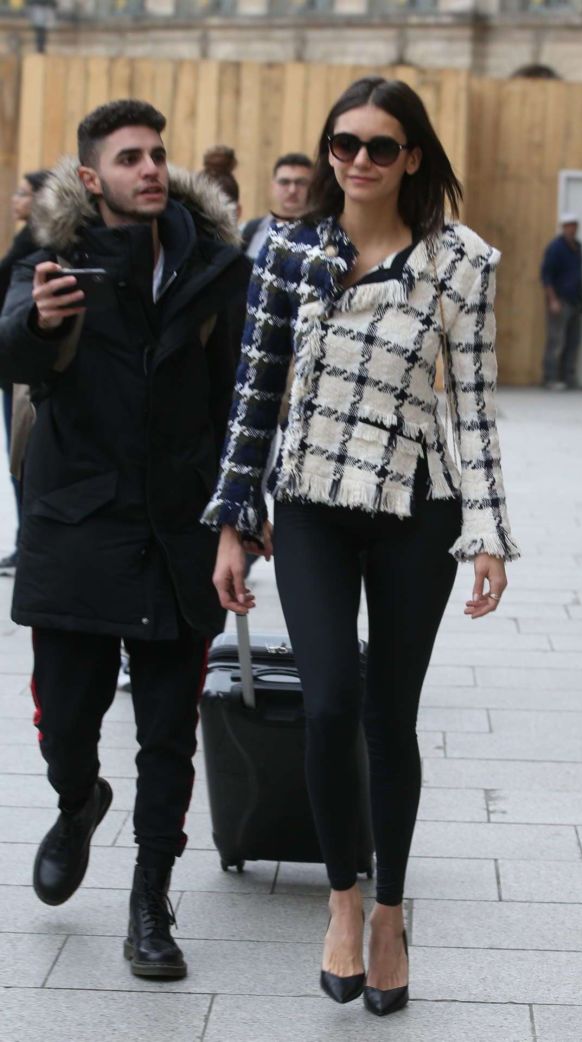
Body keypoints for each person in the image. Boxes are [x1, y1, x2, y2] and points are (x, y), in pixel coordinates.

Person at [205, 76, 519, 1016]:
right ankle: (341, 899)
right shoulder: (289, 252)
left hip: (417, 505)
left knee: (389, 716)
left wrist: (489, 530)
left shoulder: (461, 262)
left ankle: (388, 915)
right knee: (330, 701)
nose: (360, 161)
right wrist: (234, 520)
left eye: (382, 146)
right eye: (344, 144)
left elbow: (475, 406)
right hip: (310, 503)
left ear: (412, 156)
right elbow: (255, 390)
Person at [0, 99, 248, 979]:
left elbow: (239, 402)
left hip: (178, 532)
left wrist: (240, 518)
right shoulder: (48, 257)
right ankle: (77, 800)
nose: (150, 169)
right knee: (67, 723)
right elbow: (10, 357)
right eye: (129, 157)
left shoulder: (215, 266)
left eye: (157, 154)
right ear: (90, 176)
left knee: (168, 738)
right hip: (78, 526)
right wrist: (39, 321)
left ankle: (150, 902)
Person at [0, 169, 50, 575]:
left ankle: (28, 544)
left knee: (23, 458)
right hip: (14, 366)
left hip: (23, 372)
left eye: (22, 193)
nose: (15, 200)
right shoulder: (27, 240)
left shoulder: (35, 243)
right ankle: (24, 542)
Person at [540, 212, 582, 389]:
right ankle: (550, 378)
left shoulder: (578, 247)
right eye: (568, 225)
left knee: (573, 341)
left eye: (574, 225)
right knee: (556, 341)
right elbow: (546, 276)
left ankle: (569, 377)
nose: (571, 229)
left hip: (575, 301)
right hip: (560, 300)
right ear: (563, 227)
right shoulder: (556, 248)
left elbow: (579, 276)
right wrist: (553, 300)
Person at [241, 151, 312, 264]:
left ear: (313, 186)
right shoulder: (249, 231)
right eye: (284, 182)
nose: (292, 190)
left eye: (301, 183)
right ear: (273, 186)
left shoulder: (327, 234)